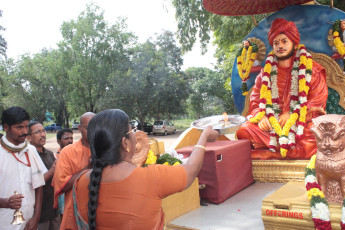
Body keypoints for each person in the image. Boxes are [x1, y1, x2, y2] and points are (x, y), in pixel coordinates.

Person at [73, 109, 219, 230]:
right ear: (125, 143)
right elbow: (192, 169)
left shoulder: (80, 182)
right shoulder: (150, 177)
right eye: (132, 132)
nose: (135, 136)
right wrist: (204, 136)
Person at [236, 18, 328, 159]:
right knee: (244, 131)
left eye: (284, 41)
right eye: (276, 42)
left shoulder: (312, 70)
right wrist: (261, 117)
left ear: (294, 43)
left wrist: (293, 114)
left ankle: (268, 152)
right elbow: (255, 101)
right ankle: (283, 151)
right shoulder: (264, 74)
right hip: (271, 128)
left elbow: (318, 101)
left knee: (315, 133)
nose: (280, 46)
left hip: (301, 126)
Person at [0, 106, 47, 230]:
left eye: (26, 126)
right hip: (4, 223)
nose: (25, 131)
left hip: (29, 223)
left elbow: (39, 187)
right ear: (6, 127)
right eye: (19, 127)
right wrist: (4, 203)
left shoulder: (30, 150)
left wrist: (35, 219)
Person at [52, 112, 95, 230]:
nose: (93, 131)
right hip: (75, 216)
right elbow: (62, 184)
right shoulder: (67, 152)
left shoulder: (106, 149)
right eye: (87, 128)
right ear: (80, 128)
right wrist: (89, 168)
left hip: (101, 215)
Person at [27, 121, 60, 230]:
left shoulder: (49, 154)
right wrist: (51, 171)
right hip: (39, 213)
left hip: (54, 208)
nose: (43, 134)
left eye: (43, 131)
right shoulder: (27, 157)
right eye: (38, 132)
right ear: (29, 138)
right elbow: (33, 183)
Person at [55, 128, 73, 217]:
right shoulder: (55, 157)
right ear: (58, 141)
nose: (70, 141)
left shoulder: (75, 155)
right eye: (66, 138)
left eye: (71, 138)